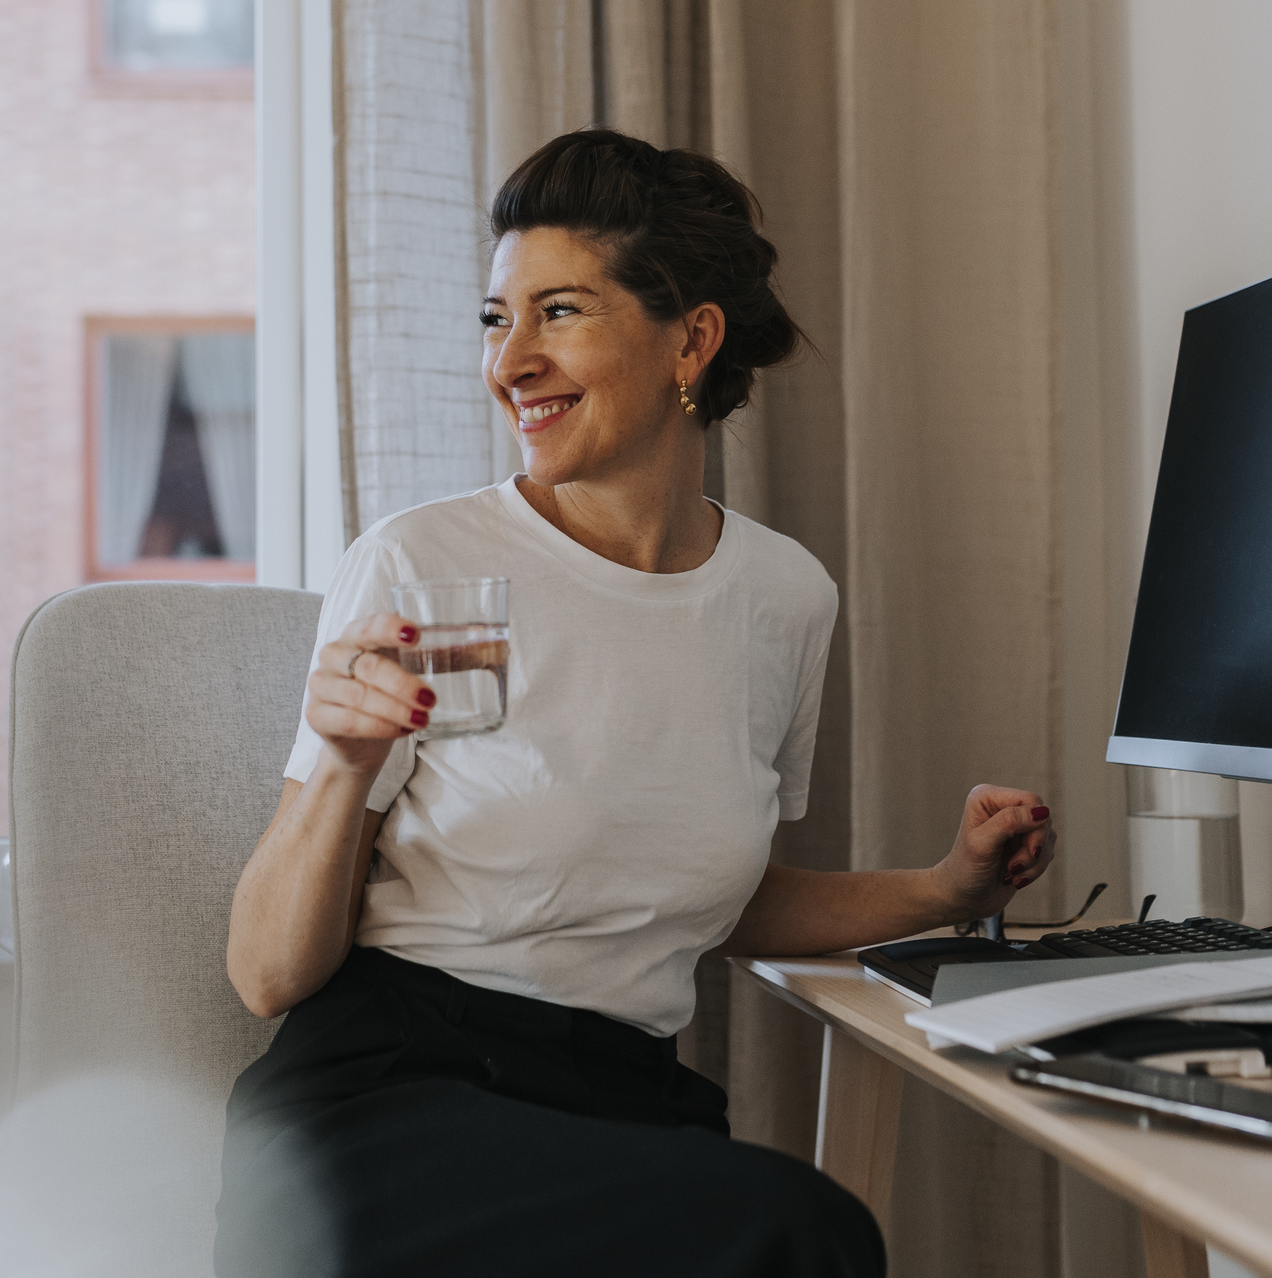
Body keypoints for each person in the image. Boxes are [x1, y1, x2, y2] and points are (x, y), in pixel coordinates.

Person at [217, 129, 1058, 1277]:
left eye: (556, 311)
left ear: (691, 340)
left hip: (619, 1094)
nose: (508, 360)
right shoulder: (425, 563)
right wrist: (349, 763)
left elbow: (701, 892)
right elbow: (265, 973)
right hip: (389, 1089)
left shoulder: (783, 600)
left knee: (771, 1218)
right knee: (799, 1228)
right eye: (496, 317)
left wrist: (942, 886)